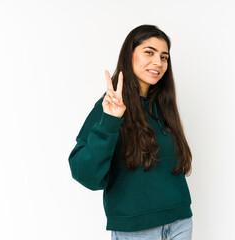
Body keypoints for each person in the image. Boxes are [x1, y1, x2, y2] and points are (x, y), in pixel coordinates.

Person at [68, 24, 193, 240]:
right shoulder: (109, 107)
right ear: (130, 54)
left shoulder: (163, 105)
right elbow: (85, 174)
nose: (158, 62)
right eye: (149, 52)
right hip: (136, 231)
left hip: (179, 223)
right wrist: (110, 121)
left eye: (164, 57)